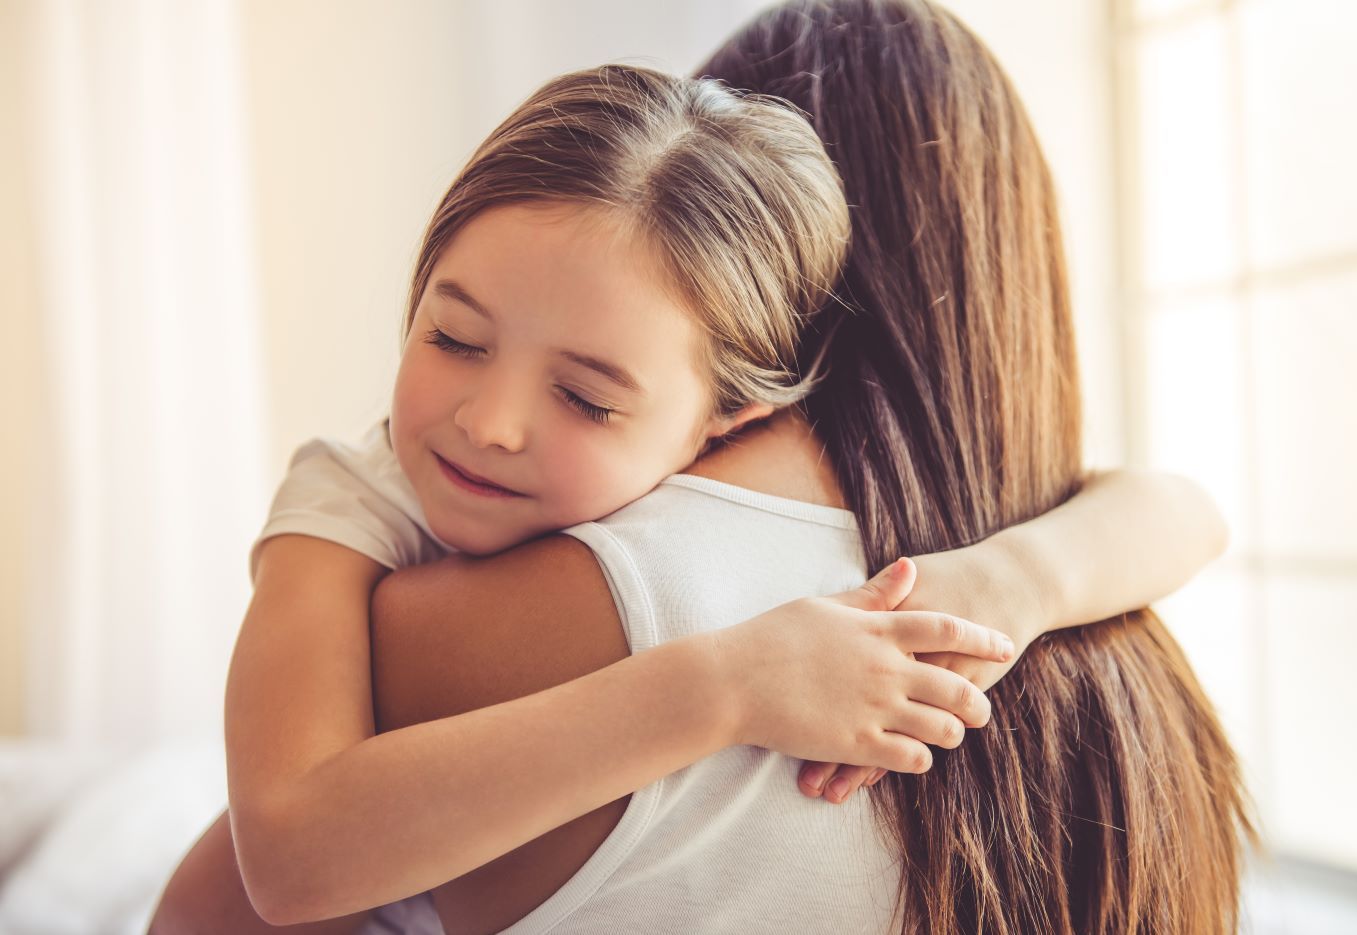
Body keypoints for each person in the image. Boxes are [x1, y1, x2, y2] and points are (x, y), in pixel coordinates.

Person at [149, 5, 1245, 934]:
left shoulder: (985, 566)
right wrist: (723, 683)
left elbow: (1190, 507)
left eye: (587, 394)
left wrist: (1004, 585)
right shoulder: (354, 501)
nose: (488, 423)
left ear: (733, 408)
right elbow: (273, 860)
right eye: (452, 337)